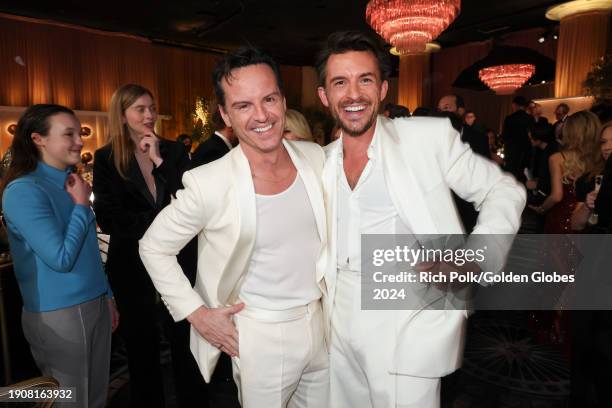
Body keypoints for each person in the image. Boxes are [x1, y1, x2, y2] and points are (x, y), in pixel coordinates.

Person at [315, 31, 525, 408]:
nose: (353, 94)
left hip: (406, 311)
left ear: (382, 89)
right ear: (325, 96)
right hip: (337, 315)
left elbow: (503, 191)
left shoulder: (425, 139)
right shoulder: (321, 160)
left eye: (365, 80)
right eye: (340, 83)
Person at [139, 47, 329, 408]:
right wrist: (196, 314)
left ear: (283, 100)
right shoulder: (209, 182)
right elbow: (152, 246)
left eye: (269, 99)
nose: (262, 115)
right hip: (261, 334)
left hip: (322, 324)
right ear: (226, 114)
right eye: (243, 105)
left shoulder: (315, 158)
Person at [92, 84, 204, 407]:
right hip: (131, 268)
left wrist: (158, 161)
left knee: (185, 346)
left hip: (179, 264)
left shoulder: (173, 151)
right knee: (142, 352)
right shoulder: (106, 158)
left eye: (152, 108)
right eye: (141, 109)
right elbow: (109, 217)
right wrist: (163, 224)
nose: (150, 115)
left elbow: (192, 202)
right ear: (122, 114)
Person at [1, 104, 118, 408]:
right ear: (38, 139)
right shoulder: (23, 190)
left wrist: (107, 294)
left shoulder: (70, 182)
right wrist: (81, 206)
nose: (79, 140)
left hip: (94, 302)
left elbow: (89, 251)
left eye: (78, 132)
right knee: (71, 401)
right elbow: (61, 258)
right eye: (69, 134)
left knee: (95, 397)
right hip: (59, 312)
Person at [530, 111, 603, 234]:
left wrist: (541, 209)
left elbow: (556, 196)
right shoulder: (600, 158)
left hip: (562, 219)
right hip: (591, 222)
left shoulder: (557, 158)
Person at [571, 120, 612, 232]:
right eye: (603, 142)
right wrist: (587, 206)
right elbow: (575, 225)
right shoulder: (591, 178)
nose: (607, 147)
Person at [501, 95, 535, 183]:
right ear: (524, 106)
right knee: (524, 178)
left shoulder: (509, 119)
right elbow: (533, 136)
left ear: (514, 105)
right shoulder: (530, 118)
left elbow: (504, 136)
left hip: (511, 154)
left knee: (511, 179)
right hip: (526, 153)